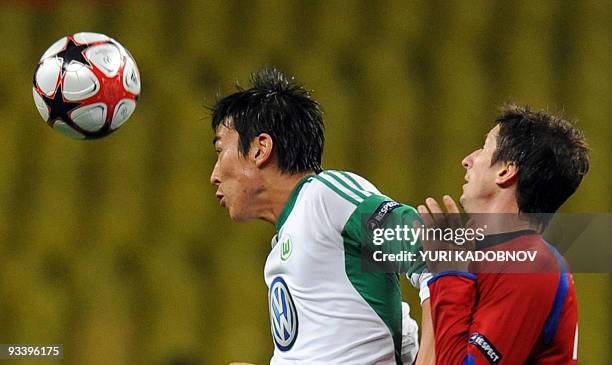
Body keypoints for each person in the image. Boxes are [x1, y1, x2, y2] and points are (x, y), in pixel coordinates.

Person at [209, 68, 432, 365]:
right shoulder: (287, 241)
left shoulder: (325, 196)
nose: (213, 176)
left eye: (220, 150)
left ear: (260, 148)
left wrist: (431, 358)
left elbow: (442, 244)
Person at [417, 105, 589, 364]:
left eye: (485, 147)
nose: (467, 159)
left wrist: (447, 275)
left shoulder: (533, 267)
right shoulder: (491, 258)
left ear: (506, 171)